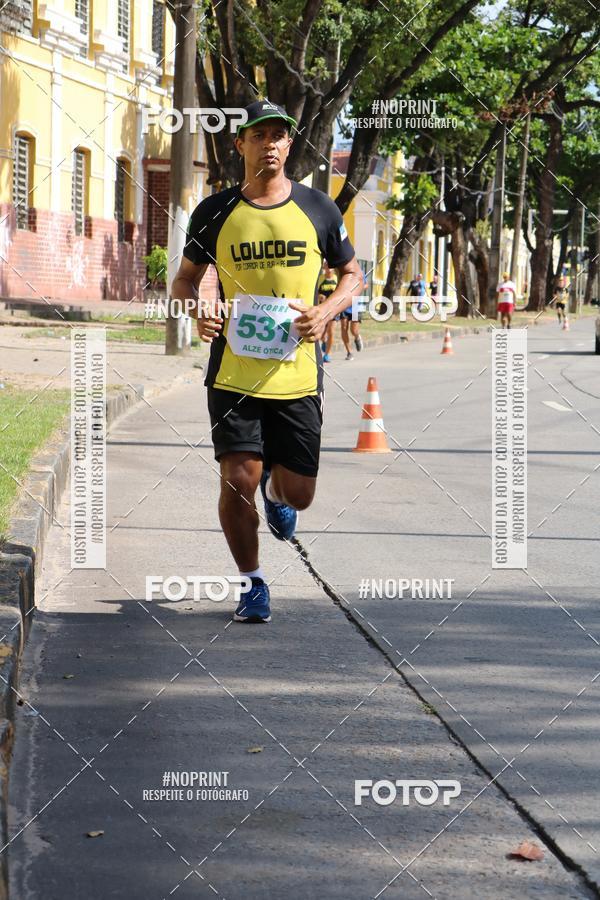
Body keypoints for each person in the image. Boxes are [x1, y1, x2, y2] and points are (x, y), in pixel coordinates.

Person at [171, 99, 363, 623]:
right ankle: (252, 582)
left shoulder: (319, 208)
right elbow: (183, 281)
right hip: (234, 371)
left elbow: (353, 275)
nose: (271, 144)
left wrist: (325, 311)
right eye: (260, 136)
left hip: (299, 373)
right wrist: (199, 311)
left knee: (297, 494)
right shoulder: (214, 212)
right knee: (238, 477)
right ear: (241, 145)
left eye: (280, 135)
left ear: (289, 145)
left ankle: (280, 494)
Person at [318, 264, 338, 362]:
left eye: (331, 266)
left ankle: (327, 354)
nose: (329, 268)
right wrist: (319, 296)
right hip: (322, 309)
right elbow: (315, 293)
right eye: (327, 266)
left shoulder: (336, 279)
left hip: (334, 310)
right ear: (324, 268)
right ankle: (324, 341)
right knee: (321, 334)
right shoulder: (320, 278)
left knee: (331, 332)